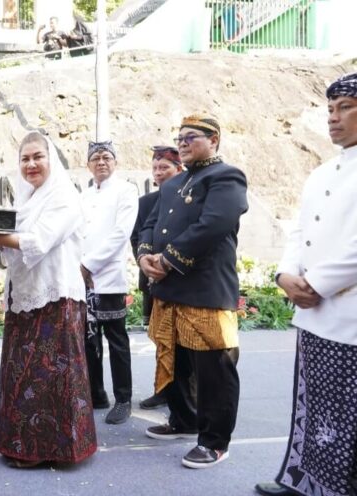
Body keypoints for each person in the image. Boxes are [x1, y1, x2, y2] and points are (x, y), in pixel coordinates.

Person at [255, 72, 357, 496]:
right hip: (313, 315)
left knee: (348, 416)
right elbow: (299, 232)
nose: (333, 118)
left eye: (345, 108)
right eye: (330, 109)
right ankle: (304, 480)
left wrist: (315, 284)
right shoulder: (321, 172)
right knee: (313, 407)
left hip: (348, 316)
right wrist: (284, 275)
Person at [0, 131, 97, 468]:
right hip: (25, 295)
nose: (31, 164)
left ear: (50, 158)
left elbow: (39, 241)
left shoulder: (64, 196)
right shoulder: (27, 199)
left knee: (48, 375)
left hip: (56, 297)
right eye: (25, 159)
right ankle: (23, 444)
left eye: (37, 157)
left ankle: (50, 450)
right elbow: (12, 245)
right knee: (23, 372)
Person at [138, 114, 247, 469]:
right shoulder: (173, 183)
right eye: (180, 138)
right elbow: (149, 224)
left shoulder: (226, 176)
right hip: (169, 287)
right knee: (176, 361)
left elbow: (212, 225)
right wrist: (144, 256)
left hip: (205, 290)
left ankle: (215, 442)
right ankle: (183, 420)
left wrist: (167, 259)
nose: (182, 143)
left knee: (214, 370)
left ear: (213, 140)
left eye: (191, 137)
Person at [80, 140, 138, 425]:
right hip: (83, 279)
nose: (101, 162)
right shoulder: (83, 195)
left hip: (108, 276)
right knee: (89, 339)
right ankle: (96, 393)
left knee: (116, 341)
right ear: (88, 165)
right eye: (96, 158)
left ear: (115, 162)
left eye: (106, 157)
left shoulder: (126, 190)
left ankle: (123, 399)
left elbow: (120, 234)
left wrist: (88, 264)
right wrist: (78, 266)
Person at [131, 145, 184, 410]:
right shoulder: (146, 202)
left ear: (179, 169)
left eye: (164, 167)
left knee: (183, 341)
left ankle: (185, 395)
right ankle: (162, 390)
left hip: (181, 278)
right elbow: (137, 237)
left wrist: (167, 262)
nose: (159, 172)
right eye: (155, 168)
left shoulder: (188, 199)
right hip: (152, 279)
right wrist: (146, 261)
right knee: (160, 339)